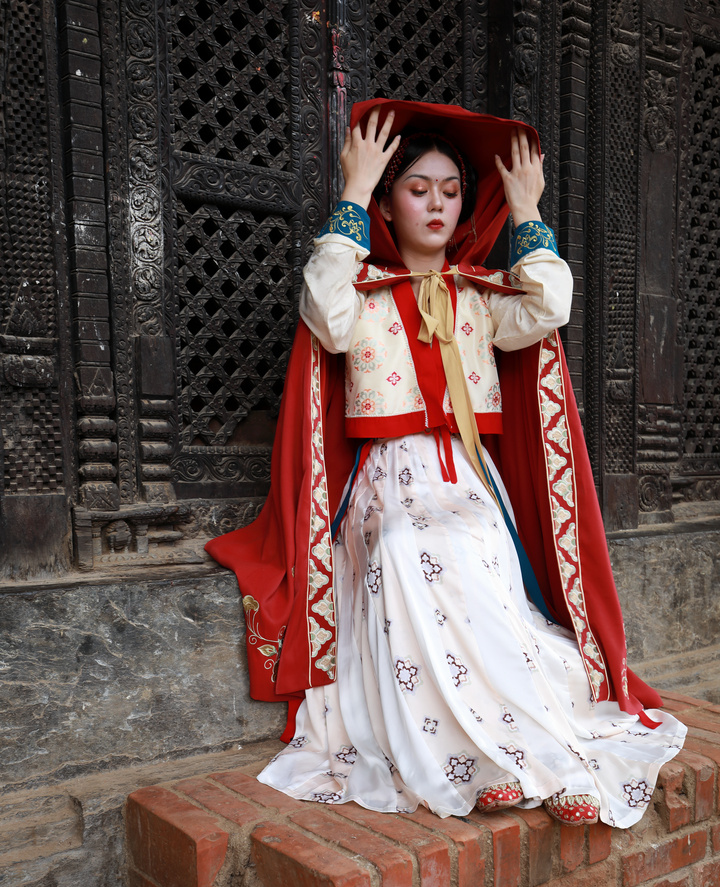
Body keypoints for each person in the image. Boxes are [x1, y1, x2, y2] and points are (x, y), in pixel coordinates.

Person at [206, 99, 685, 828]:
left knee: (472, 546)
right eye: (417, 188)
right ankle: (478, 759)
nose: (436, 204)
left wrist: (526, 209)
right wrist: (350, 194)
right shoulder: (359, 297)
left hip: (464, 478)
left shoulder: (484, 299)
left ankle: (537, 751)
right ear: (390, 205)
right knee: (405, 544)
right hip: (386, 483)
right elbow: (321, 312)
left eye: (451, 190)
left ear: (466, 205)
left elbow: (550, 305)